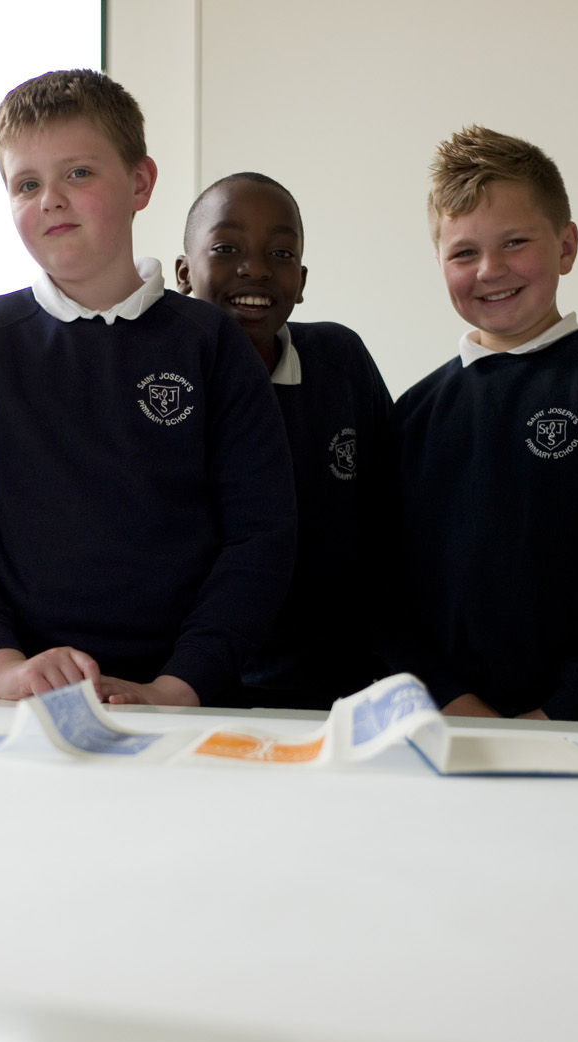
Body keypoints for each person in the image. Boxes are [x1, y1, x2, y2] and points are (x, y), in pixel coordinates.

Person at [0, 69, 295, 708]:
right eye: (27, 184)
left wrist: (180, 686)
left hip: (188, 700)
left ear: (141, 184)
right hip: (21, 703)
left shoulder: (210, 342)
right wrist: (2, 667)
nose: (51, 200)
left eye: (79, 174)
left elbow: (260, 534)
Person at [388, 127, 578, 723]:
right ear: (438, 263)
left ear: (566, 246)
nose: (491, 269)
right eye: (464, 252)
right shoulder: (411, 416)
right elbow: (388, 592)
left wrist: (563, 712)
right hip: (454, 728)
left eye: (515, 242)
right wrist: (455, 705)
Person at [175, 172, 390, 709]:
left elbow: (390, 516)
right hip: (197, 683)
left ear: (302, 278)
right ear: (183, 273)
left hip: (338, 685)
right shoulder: (162, 386)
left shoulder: (340, 361)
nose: (256, 268)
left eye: (281, 253)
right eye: (227, 248)